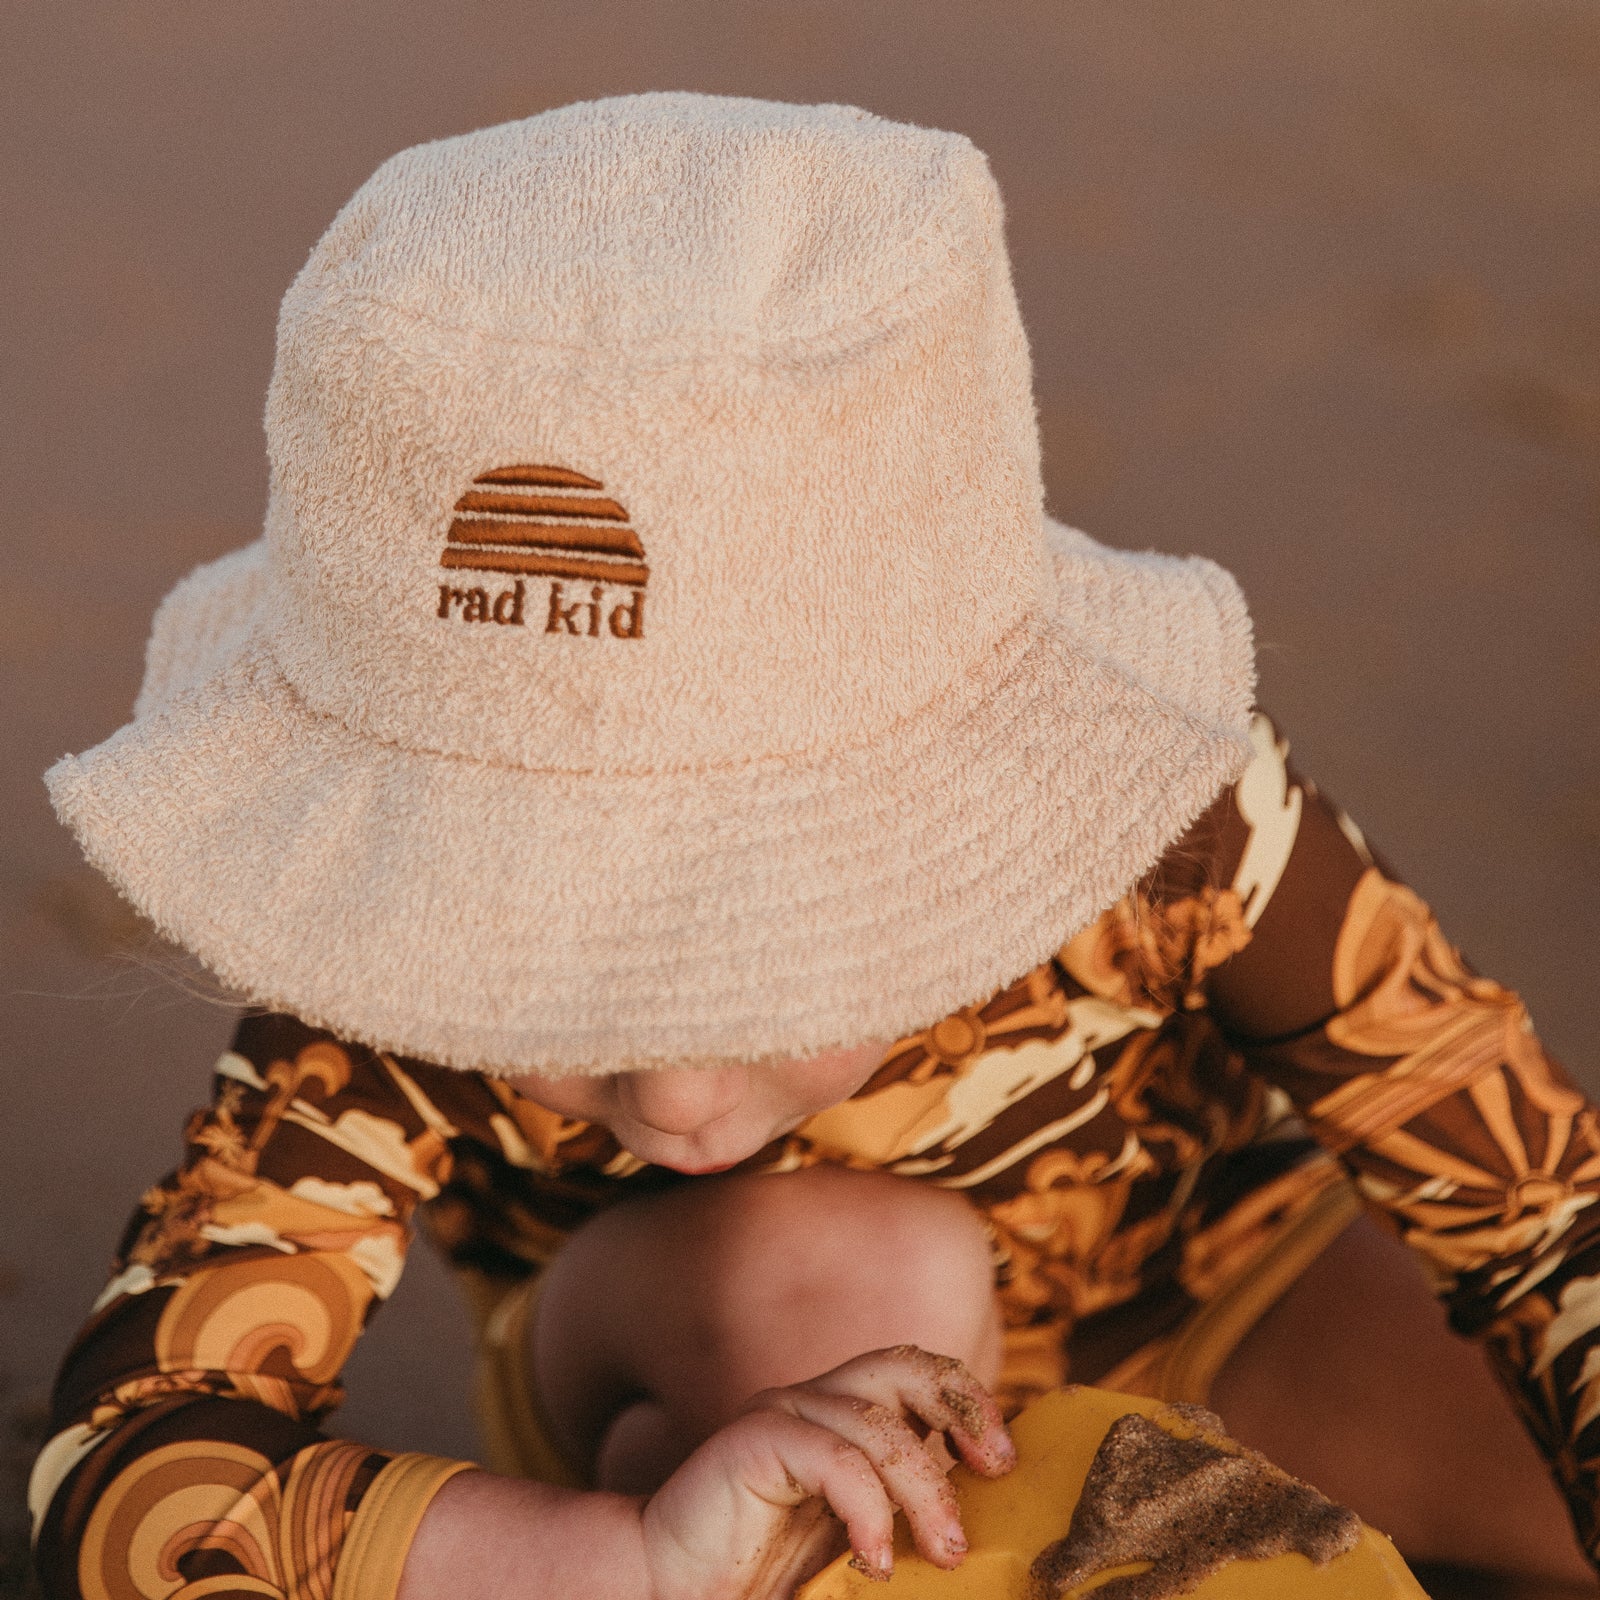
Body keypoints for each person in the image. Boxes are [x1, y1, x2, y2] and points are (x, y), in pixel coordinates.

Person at [28, 94, 1599, 1598]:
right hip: (729, 1373)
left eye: (758, 974)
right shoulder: (382, 949)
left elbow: (1544, 1226)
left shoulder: (1174, 824)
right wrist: (622, 1564)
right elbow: (119, 1483)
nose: (681, 1102)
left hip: (1209, 1301)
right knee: (845, 1274)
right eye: (563, 990)